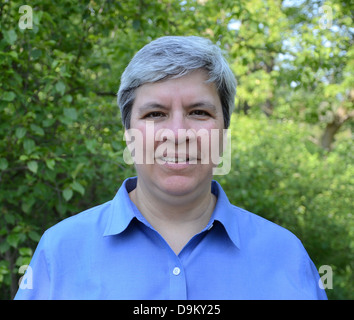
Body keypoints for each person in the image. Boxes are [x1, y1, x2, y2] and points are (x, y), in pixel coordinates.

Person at [15, 36, 327, 300]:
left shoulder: (286, 257)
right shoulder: (59, 252)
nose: (178, 134)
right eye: (155, 114)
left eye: (199, 112)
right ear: (128, 135)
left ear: (223, 135)